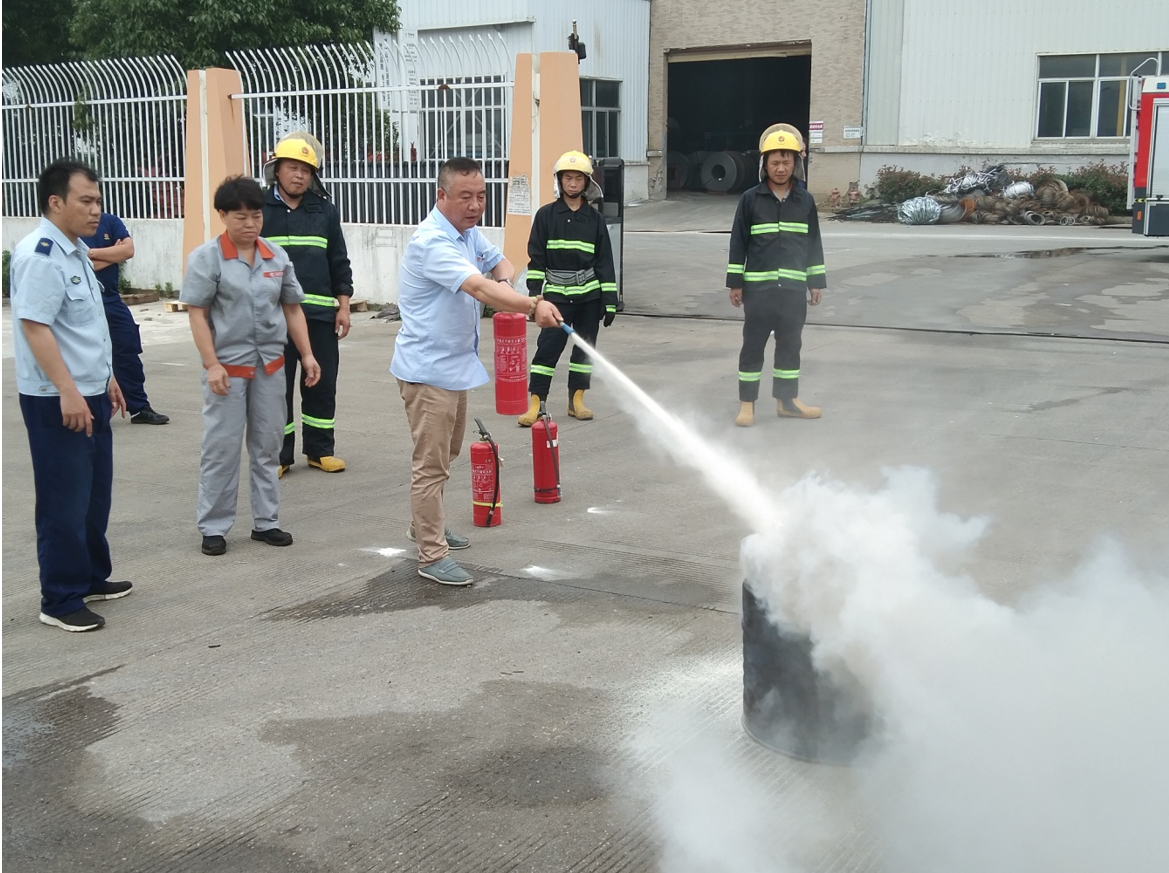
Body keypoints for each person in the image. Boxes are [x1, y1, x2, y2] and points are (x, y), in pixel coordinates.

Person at [391, 157, 563, 586]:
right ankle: (431, 554)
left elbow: (499, 264)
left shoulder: (467, 233)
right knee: (431, 465)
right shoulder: (432, 242)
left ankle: (422, 524)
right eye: (465, 196)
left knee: (447, 455)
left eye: (482, 196)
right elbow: (478, 287)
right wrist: (531, 305)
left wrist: (506, 283)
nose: (475, 205)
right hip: (428, 372)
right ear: (441, 196)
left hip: (454, 367)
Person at [9, 159, 133, 632]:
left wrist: (108, 378)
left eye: (98, 200)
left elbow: (85, 327)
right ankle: (60, 599)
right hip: (57, 398)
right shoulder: (40, 256)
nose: (96, 210)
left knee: (94, 494)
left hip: (90, 390)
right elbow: (36, 328)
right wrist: (68, 390)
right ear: (55, 202)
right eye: (86, 200)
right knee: (64, 499)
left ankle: (90, 576)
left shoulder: (76, 250)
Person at [180, 176, 321, 557]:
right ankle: (214, 526)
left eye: (256, 216)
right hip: (226, 371)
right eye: (240, 217)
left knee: (268, 446)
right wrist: (211, 364)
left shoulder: (276, 256)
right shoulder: (207, 259)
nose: (250, 224)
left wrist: (307, 354)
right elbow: (197, 314)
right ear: (223, 215)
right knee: (221, 448)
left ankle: (266, 522)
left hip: (270, 368)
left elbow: (292, 308)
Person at [261, 133, 354, 477]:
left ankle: (320, 450)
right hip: (272, 318)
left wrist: (343, 306)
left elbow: (339, 261)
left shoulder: (324, 210)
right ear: (277, 170)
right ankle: (280, 456)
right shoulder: (259, 209)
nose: (299, 175)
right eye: (292, 168)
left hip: (319, 316)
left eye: (305, 170)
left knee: (322, 384)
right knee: (277, 388)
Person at [726, 126, 827, 427]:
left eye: (786, 162)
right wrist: (735, 283)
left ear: (796, 163)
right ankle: (747, 404)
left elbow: (814, 243)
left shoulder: (805, 201)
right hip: (759, 290)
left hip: (793, 290)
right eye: (775, 162)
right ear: (764, 165)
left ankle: (788, 401)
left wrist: (816, 282)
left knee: (790, 346)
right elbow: (738, 242)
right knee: (753, 346)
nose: (781, 168)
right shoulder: (750, 199)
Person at [517, 150, 618, 426]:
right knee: (547, 349)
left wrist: (609, 300)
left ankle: (577, 400)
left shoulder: (595, 219)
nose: (572, 184)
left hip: (589, 297)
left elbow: (605, 262)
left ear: (587, 182)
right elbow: (536, 259)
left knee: (584, 350)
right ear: (559, 181)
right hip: (556, 297)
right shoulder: (545, 216)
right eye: (568, 178)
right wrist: (535, 296)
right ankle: (536, 403)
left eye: (578, 179)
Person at [81, 211, 170, 425]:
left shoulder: (110, 222)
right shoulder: (70, 226)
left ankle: (139, 408)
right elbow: (76, 267)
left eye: (97, 200)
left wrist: (89, 253)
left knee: (127, 351)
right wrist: (113, 255)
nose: (93, 207)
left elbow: (128, 250)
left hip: (111, 300)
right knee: (86, 356)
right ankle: (91, 409)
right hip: (82, 302)